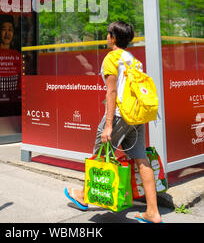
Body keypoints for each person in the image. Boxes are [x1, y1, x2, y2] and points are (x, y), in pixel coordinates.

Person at [64, 21, 163, 224]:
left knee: (101, 153)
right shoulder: (133, 60)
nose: (107, 37)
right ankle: (153, 212)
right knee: (141, 158)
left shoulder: (112, 58)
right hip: (136, 116)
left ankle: (83, 196)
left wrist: (108, 124)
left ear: (114, 38)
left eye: (109, 34)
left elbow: (111, 92)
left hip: (119, 115)